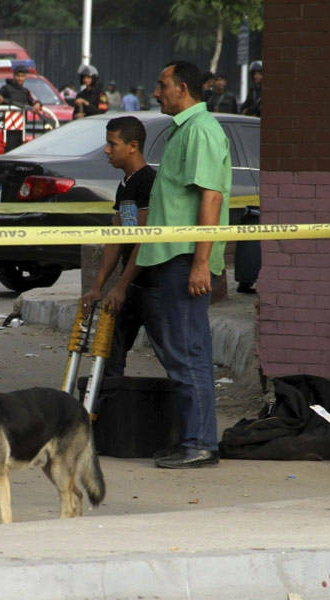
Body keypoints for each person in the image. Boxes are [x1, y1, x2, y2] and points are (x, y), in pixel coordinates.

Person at [115, 61, 231, 469]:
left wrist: (201, 262)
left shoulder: (200, 130)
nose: (157, 91)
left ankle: (199, 443)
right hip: (172, 258)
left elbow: (210, 199)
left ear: (182, 88)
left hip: (185, 259)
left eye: (162, 85)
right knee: (185, 353)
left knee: (187, 354)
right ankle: (194, 439)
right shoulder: (185, 130)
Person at [80, 116, 155, 376]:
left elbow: (143, 239)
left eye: (112, 144)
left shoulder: (148, 182)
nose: (106, 150)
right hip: (132, 285)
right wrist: (98, 287)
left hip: (154, 285)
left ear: (133, 146)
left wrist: (121, 286)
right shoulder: (126, 185)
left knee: (172, 355)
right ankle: (109, 406)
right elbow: (120, 236)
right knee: (110, 354)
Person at [0, 64, 43, 151]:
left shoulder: (25, 91)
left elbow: (33, 101)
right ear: (14, 76)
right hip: (9, 129)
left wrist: (38, 104)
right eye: (18, 76)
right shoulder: (5, 89)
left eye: (23, 76)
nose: (20, 79)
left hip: (21, 128)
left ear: (25, 77)